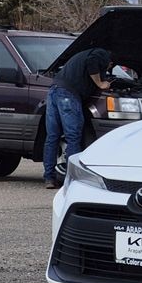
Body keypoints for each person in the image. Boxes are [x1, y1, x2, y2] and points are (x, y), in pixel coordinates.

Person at [43, 47, 113, 188]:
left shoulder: (81, 56)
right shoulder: (102, 53)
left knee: (52, 137)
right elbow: (92, 61)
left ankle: (49, 178)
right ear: (111, 62)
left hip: (54, 91)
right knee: (73, 136)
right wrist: (100, 83)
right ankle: (72, 179)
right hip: (68, 94)